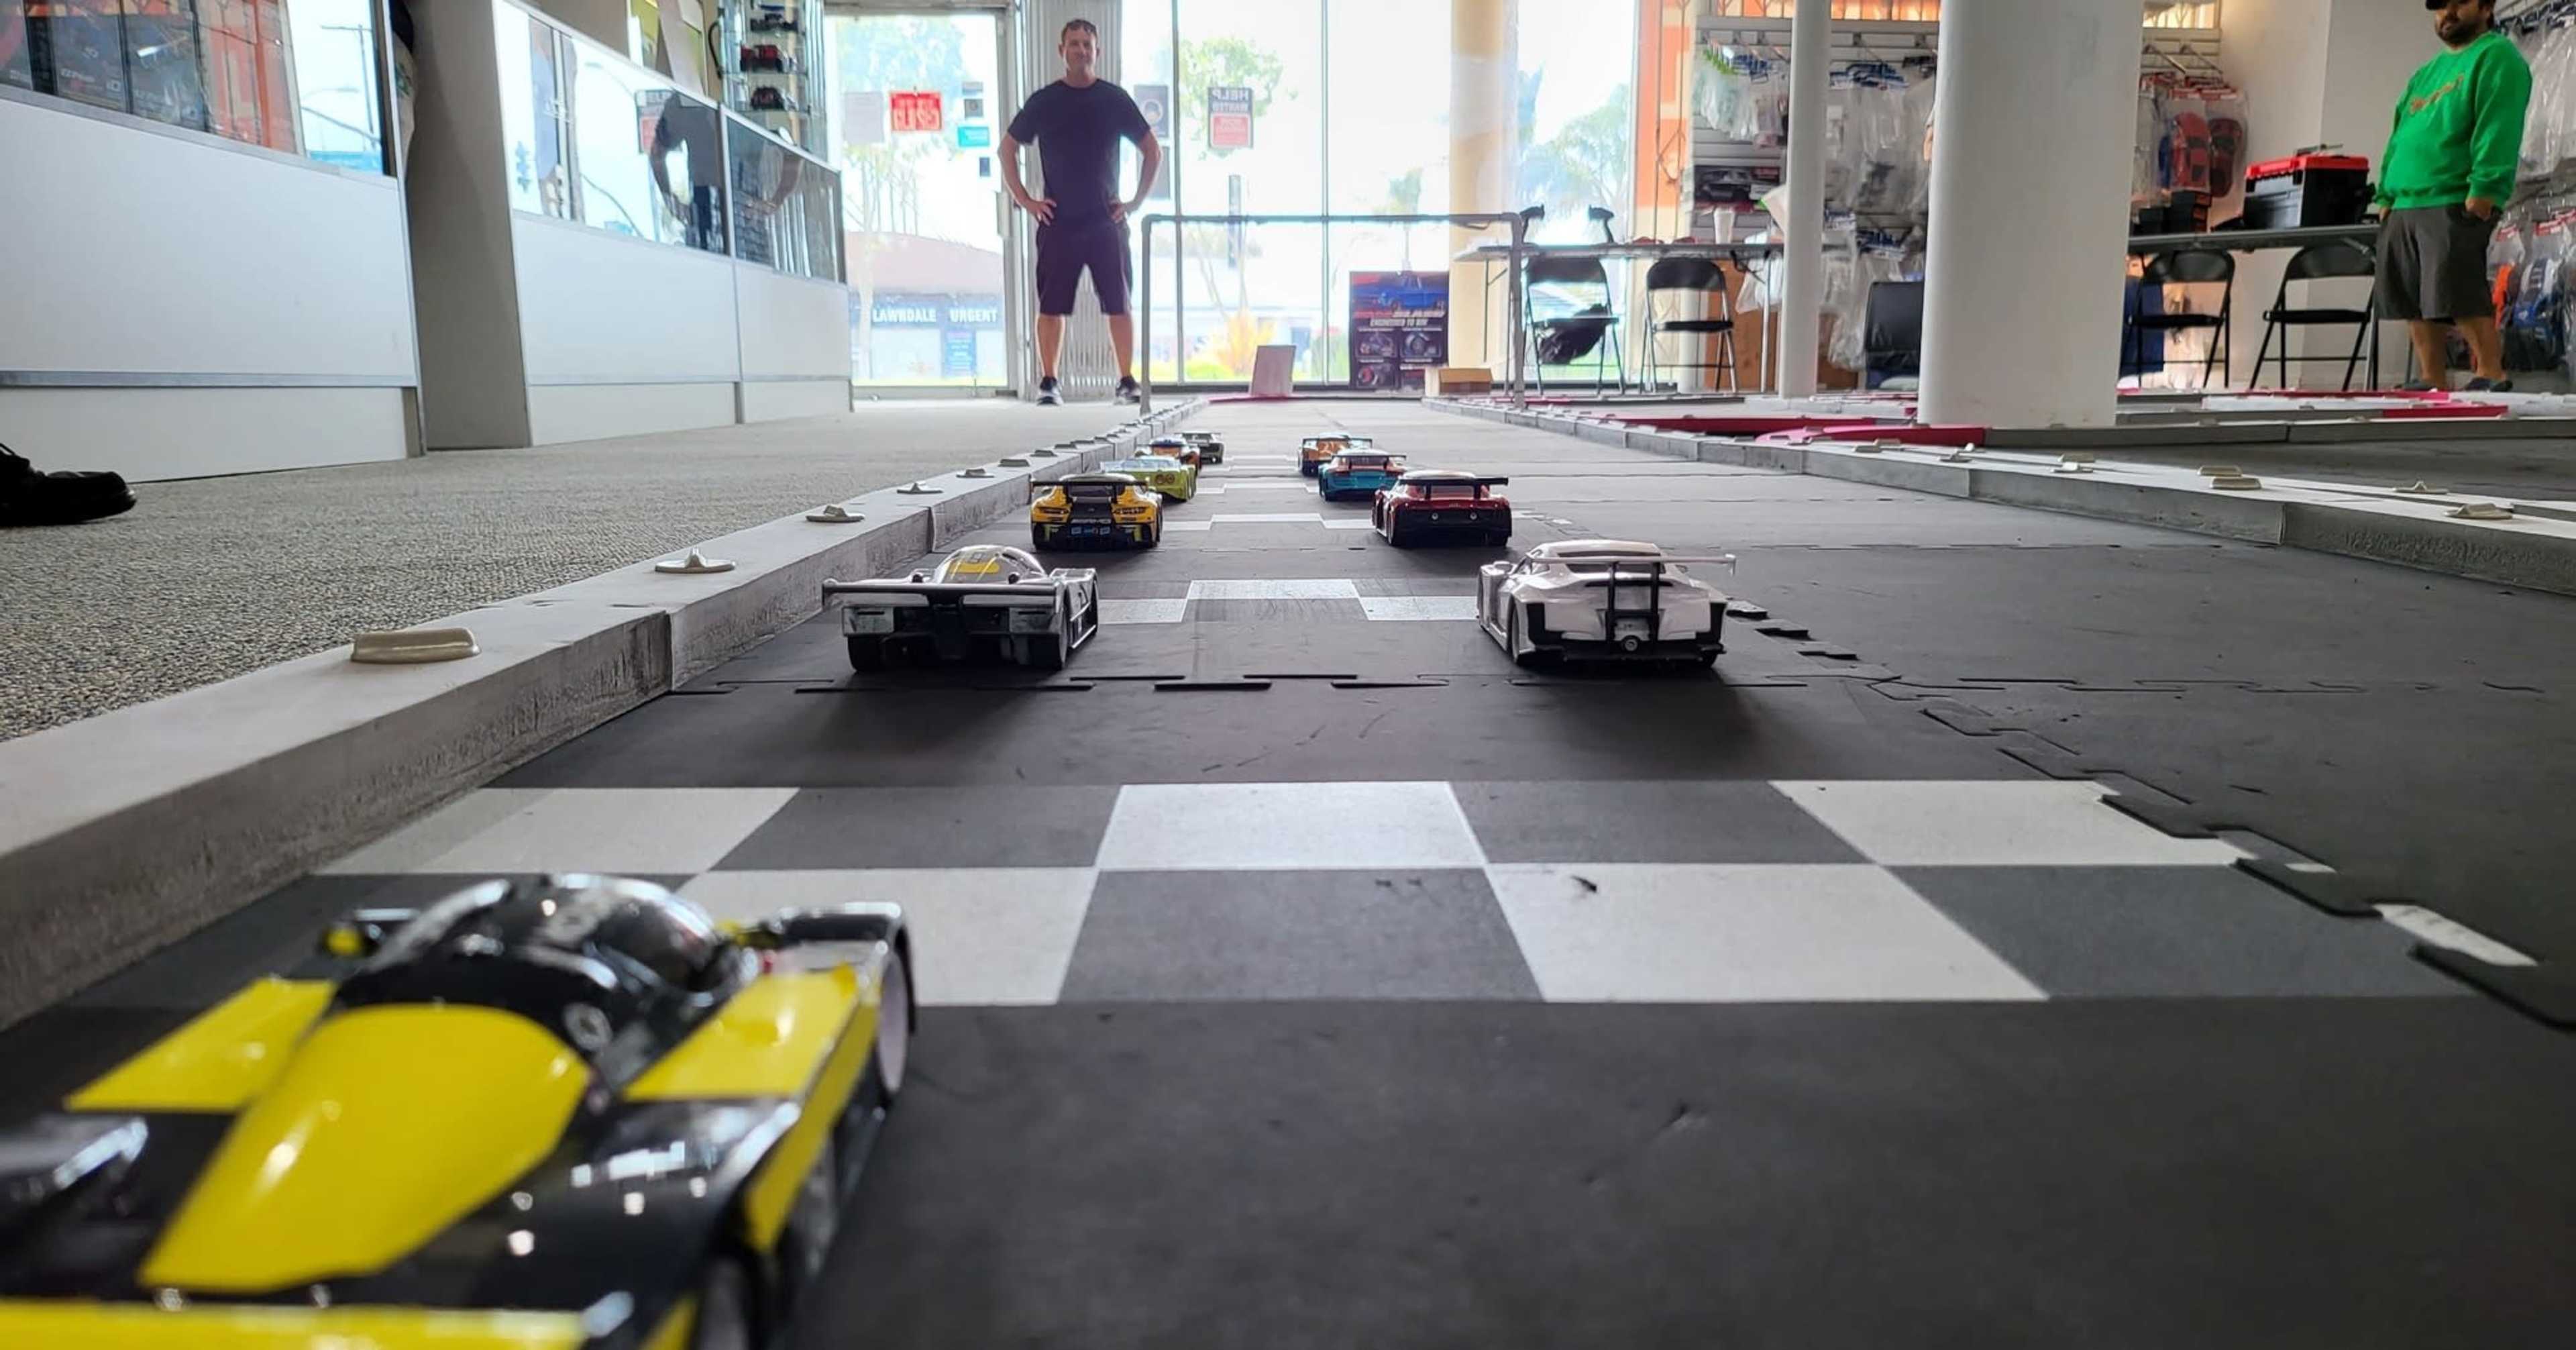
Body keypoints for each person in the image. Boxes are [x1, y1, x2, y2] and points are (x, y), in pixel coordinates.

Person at [1001, 19, 1162, 406]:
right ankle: (1049, 382)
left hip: (1106, 221)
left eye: (1087, 44)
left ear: (1097, 52)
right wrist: (1027, 200)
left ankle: (1126, 381)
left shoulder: (1114, 99)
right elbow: (1007, 149)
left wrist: (1135, 202)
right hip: (1058, 221)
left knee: (1119, 303)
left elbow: (1152, 151)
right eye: (1073, 43)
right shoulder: (1044, 101)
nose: (1081, 50)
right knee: (1051, 305)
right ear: (1062, 51)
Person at [2374, 0, 2533, 391]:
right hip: (2405, 200)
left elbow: (2499, 124)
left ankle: (2491, 373)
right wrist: (2385, 195)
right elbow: (2399, 136)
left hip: (2454, 195)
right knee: (2414, 298)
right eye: (2439, 6)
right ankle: (2431, 377)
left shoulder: (2497, 56)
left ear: (2486, 7)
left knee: (2457, 290)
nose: (2446, 13)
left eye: (2458, 3)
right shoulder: (2425, 73)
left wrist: (2486, 188)